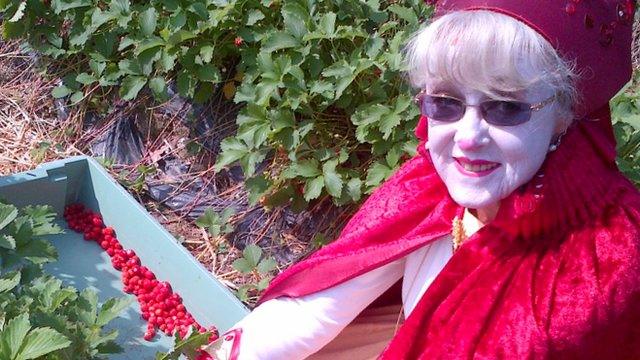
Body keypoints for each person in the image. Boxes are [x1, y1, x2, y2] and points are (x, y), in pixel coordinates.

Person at [205, 0, 640, 358]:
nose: (468, 138)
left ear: (565, 114)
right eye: (446, 103)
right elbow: (321, 308)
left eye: (506, 107)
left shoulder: (609, 262)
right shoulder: (425, 187)